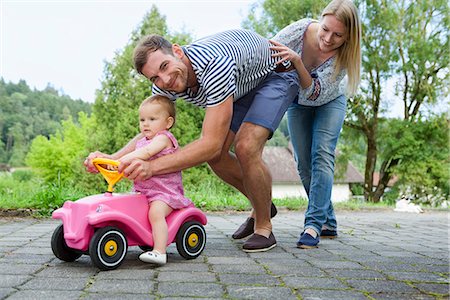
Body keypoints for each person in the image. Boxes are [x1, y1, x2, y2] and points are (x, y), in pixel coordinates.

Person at [85, 30, 299, 252]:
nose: (164, 79)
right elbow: (152, 131)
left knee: (245, 147)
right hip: (241, 87)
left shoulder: (214, 65)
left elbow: (210, 143)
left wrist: (151, 167)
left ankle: (264, 226)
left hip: (276, 75)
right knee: (216, 158)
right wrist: (113, 159)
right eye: (155, 77)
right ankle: (262, 204)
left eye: (165, 66)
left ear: (177, 51)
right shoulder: (163, 85)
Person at [269, 0, 362, 248]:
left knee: (322, 155)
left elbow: (315, 93)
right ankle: (328, 220)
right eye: (325, 29)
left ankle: (313, 225)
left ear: (348, 37)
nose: (328, 38)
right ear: (320, 21)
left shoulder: (343, 58)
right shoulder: (300, 30)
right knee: (303, 164)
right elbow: (268, 49)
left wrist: (297, 63)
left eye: (338, 35)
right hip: (297, 100)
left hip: (328, 101)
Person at [93, 95, 193, 264]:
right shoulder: (142, 140)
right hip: (144, 192)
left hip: (165, 193)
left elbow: (146, 153)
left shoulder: (163, 138)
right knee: (127, 205)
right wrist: (113, 164)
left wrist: (122, 161)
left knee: (155, 213)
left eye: (152, 119)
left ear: (168, 123)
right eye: (142, 119)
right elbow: (130, 158)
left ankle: (160, 251)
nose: (146, 124)